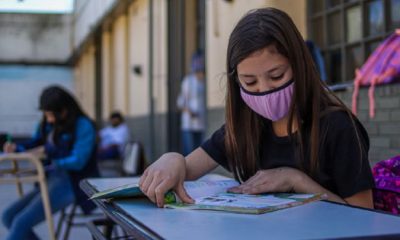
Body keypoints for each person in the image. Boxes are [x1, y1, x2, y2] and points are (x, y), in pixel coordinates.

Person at [139, 8, 375, 209]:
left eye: (276, 76)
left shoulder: (338, 127)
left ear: (300, 65)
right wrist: (173, 159)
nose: (264, 90)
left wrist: (296, 181)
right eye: (250, 82)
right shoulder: (243, 127)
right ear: (236, 81)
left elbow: (364, 214)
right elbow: (186, 168)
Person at [2, 85, 98, 240]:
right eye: (46, 114)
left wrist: (48, 155)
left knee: (20, 223)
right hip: (51, 180)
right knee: (8, 217)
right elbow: (36, 143)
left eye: (51, 115)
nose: (49, 119)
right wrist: (16, 147)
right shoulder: (48, 125)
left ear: (64, 110)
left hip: (73, 183)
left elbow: (78, 161)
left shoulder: (83, 125)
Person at [177, 51, 207, 156]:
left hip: (201, 123)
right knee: (189, 153)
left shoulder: (205, 82)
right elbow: (181, 102)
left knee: (200, 153)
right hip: (189, 123)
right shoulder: (188, 81)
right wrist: (189, 112)